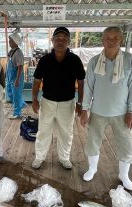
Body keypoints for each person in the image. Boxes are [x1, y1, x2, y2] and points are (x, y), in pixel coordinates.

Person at [80, 26, 132, 190]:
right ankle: (92, 169)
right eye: (108, 38)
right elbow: (88, 87)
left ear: (121, 39)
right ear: (103, 40)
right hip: (98, 111)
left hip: (122, 112)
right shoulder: (93, 61)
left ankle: (124, 175)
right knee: (93, 142)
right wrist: (85, 110)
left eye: (115, 38)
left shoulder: (130, 60)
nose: (111, 41)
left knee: (126, 144)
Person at [31, 27, 85, 170]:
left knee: (66, 133)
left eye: (64, 39)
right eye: (57, 38)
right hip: (47, 101)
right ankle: (39, 157)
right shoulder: (44, 60)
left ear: (68, 42)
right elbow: (37, 81)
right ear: (52, 40)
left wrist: (80, 102)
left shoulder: (75, 60)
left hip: (68, 103)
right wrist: (35, 99)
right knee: (43, 131)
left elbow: (81, 82)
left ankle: (64, 158)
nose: (60, 41)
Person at [5, 32, 26, 119]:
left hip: (16, 77)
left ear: (16, 42)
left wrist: (17, 80)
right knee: (10, 93)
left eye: (11, 41)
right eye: (9, 40)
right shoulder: (13, 51)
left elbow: (20, 67)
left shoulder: (18, 53)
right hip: (10, 77)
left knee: (16, 95)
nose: (9, 42)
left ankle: (17, 113)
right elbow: (9, 56)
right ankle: (21, 104)